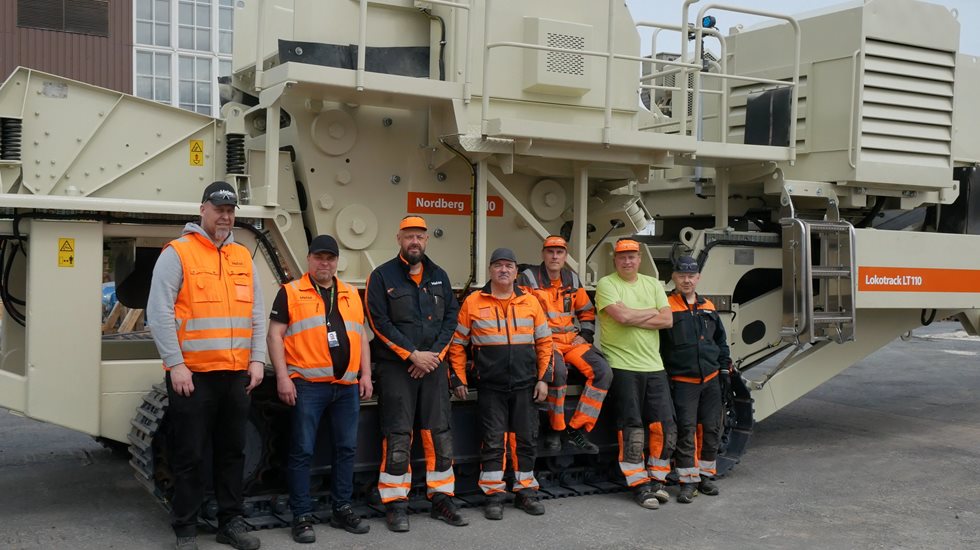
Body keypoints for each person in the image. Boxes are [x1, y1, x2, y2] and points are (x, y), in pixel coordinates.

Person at [147, 181, 266, 550]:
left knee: (232, 452)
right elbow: (159, 312)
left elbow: (257, 312)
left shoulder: (242, 256)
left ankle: (230, 522)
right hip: (193, 376)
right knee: (190, 454)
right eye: (219, 210)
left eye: (230, 212)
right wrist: (176, 364)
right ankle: (185, 529)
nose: (225, 217)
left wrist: (257, 359)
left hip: (234, 375)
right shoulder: (178, 253)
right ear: (203, 211)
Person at [267, 235, 373, 543]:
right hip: (308, 387)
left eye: (329, 258)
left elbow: (361, 337)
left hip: (347, 388)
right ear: (309, 259)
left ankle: (342, 507)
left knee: (346, 449)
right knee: (302, 450)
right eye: (318, 258)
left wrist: (365, 375)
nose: (324, 263)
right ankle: (301, 515)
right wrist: (284, 378)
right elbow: (275, 336)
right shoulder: (290, 292)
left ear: (337, 262)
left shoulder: (352, 294)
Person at [365, 216, 467, 532]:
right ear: (399, 239)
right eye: (409, 236)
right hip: (398, 368)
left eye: (420, 237)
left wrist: (432, 356)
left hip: (433, 366)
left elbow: (452, 319)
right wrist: (413, 354)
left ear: (426, 240)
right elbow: (378, 321)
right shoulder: (382, 276)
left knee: (439, 433)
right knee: (398, 433)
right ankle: (396, 503)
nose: (415, 242)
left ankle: (442, 498)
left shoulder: (439, 276)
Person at [449, 248, 554, 520]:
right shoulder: (473, 302)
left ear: (516, 272)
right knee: (493, 441)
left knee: (526, 440)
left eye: (509, 265)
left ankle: (525, 492)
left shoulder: (531, 303)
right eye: (498, 265)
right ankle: (494, 495)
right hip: (491, 386)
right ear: (490, 270)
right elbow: (458, 345)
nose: (503, 270)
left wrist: (543, 379)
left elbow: (545, 344)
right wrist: (458, 377)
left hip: (526, 384)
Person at [594, 238, 676, 510]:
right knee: (632, 427)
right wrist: (650, 312)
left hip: (654, 365)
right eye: (622, 257)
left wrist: (634, 315)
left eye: (632, 256)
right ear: (615, 260)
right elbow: (622, 317)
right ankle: (639, 484)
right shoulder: (607, 284)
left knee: (662, 425)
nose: (627, 261)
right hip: (623, 364)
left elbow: (668, 320)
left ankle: (658, 480)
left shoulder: (652, 283)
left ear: (639, 258)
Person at [517, 235, 612, 453]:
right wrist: (539, 340)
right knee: (557, 373)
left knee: (603, 372)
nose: (554, 256)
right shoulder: (528, 278)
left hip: (571, 341)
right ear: (543, 254)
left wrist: (586, 334)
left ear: (565, 256)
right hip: (545, 341)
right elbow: (522, 313)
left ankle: (576, 428)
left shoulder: (572, 278)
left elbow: (586, 311)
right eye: (550, 252)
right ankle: (555, 430)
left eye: (559, 252)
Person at [661, 255, 730, 503]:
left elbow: (720, 341)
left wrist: (724, 369)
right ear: (674, 278)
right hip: (683, 381)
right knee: (686, 431)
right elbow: (660, 346)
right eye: (682, 276)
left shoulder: (708, 306)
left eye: (691, 276)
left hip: (710, 379)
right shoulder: (666, 306)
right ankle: (687, 483)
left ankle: (706, 476)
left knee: (711, 428)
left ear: (698, 278)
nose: (687, 280)